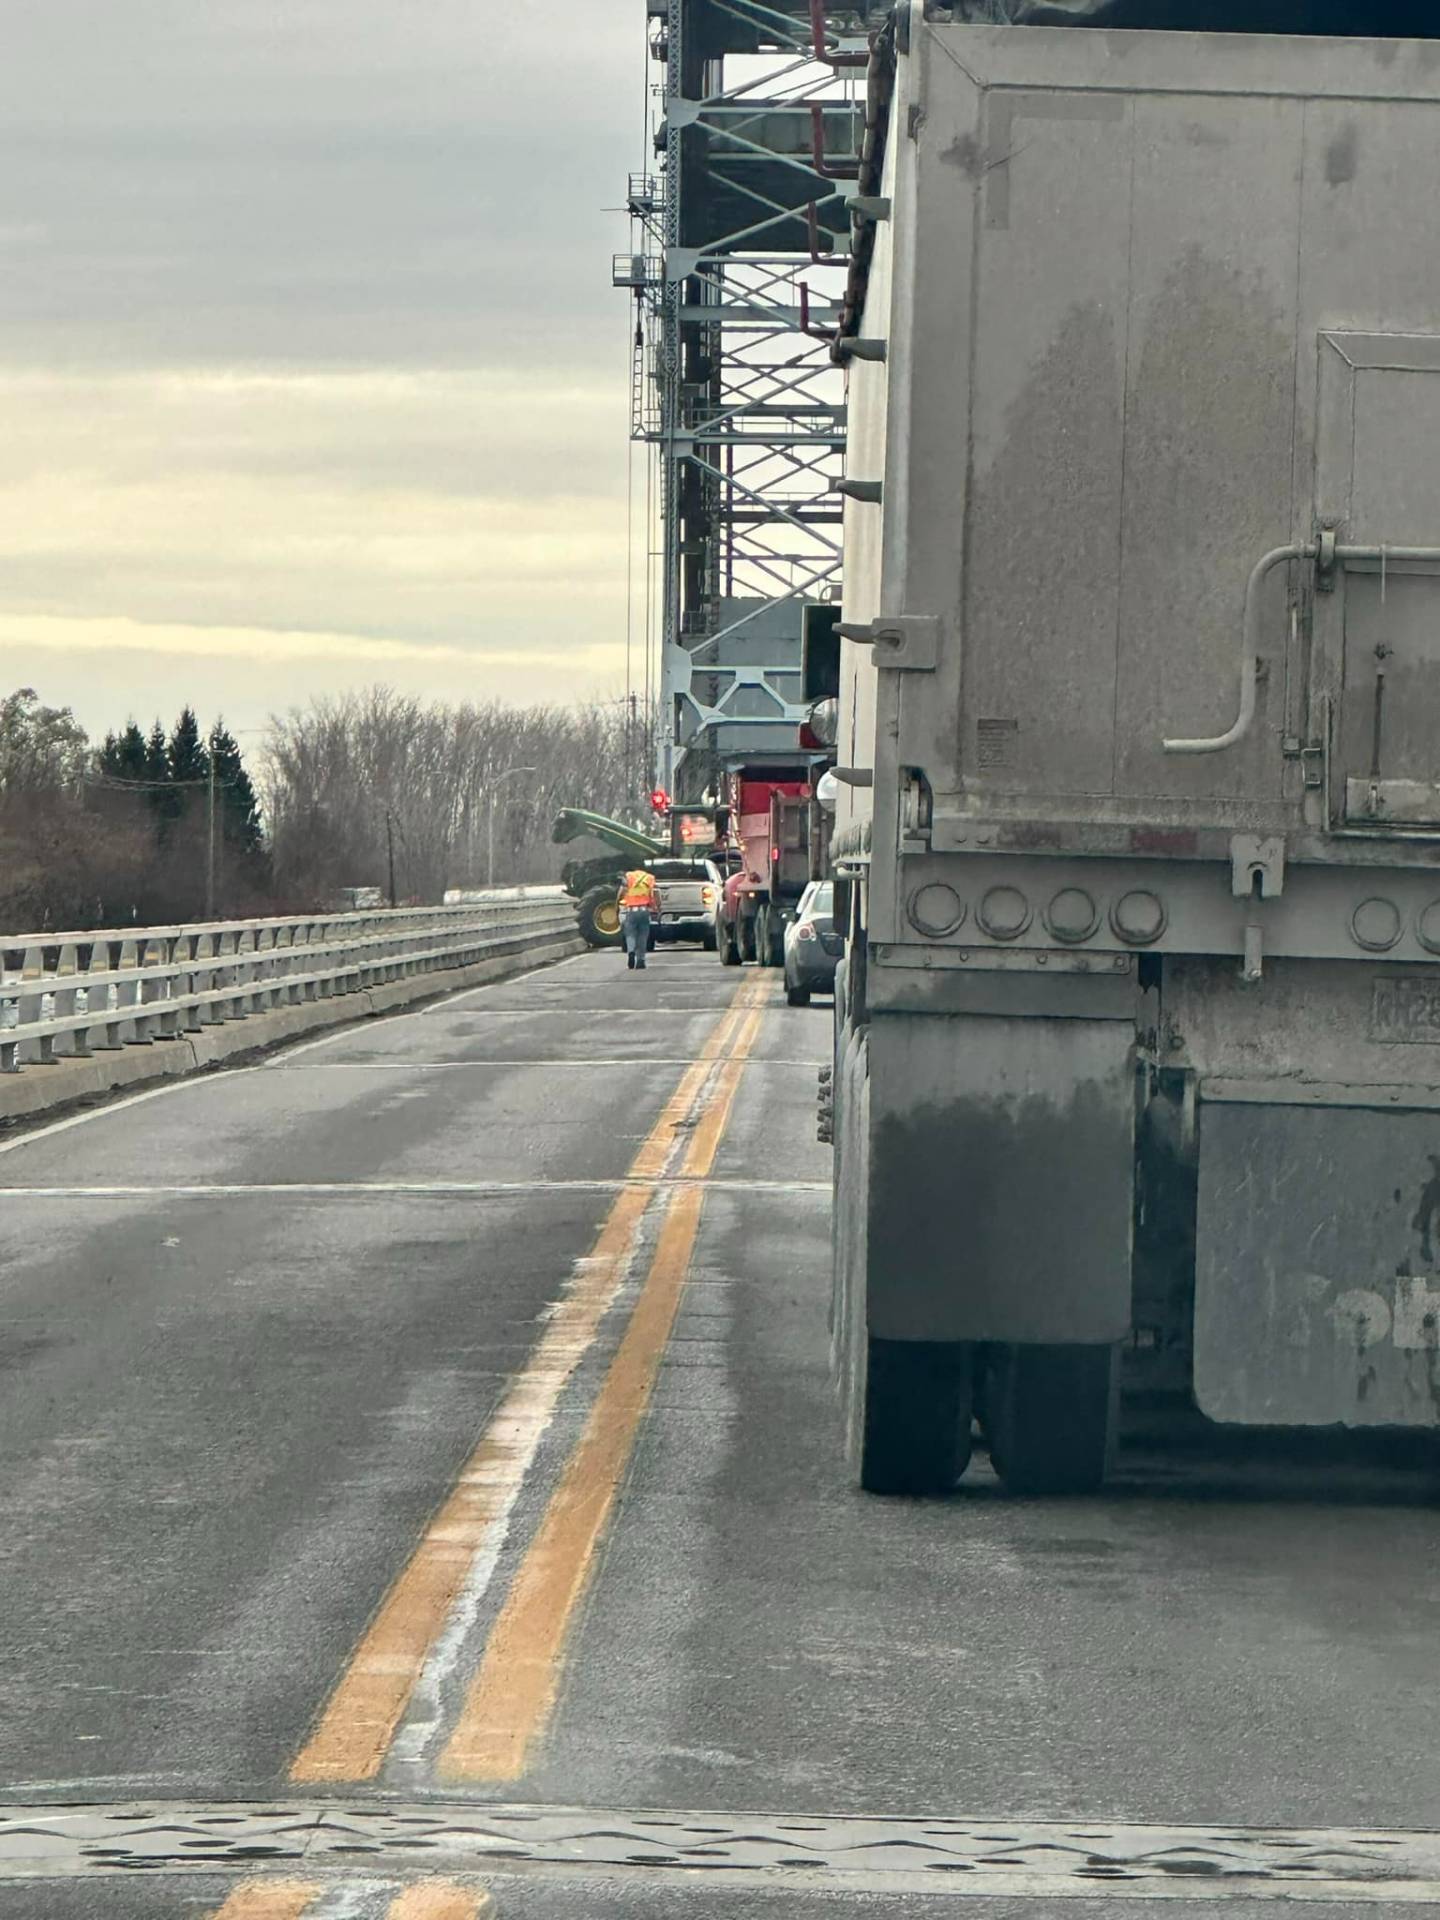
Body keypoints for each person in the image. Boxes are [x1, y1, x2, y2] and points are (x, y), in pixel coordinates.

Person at [618, 866, 659, 969]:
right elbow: (655, 894)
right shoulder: (649, 877)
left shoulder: (628, 876)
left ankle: (631, 952)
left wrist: (617, 904)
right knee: (643, 936)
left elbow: (622, 892)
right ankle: (640, 960)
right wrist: (656, 908)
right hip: (644, 910)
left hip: (631, 910)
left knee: (630, 934)